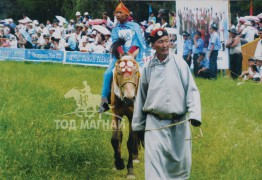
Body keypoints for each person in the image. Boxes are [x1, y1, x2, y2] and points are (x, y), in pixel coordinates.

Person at [132, 28, 201, 180]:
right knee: (154, 167)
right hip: (155, 123)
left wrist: (195, 114)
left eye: (167, 41)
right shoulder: (148, 68)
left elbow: (192, 90)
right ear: (153, 45)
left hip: (179, 123)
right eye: (160, 42)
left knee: (180, 166)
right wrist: (138, 125)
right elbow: (141, 97)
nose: (165, 45)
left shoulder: (180, 63)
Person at [98, 2, 145, 112]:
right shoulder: (115, 29)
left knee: (144, 74)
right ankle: (104, 100)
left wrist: (129, 56)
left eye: (120, 12)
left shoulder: (135, 27)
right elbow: (116, 44)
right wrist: (122, 56)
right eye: (116, 13)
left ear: (127, 14)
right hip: (118, 57)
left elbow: (136, 44)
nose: (117, 15)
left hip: (135, 57)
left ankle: (147, 101)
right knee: (108, 73)